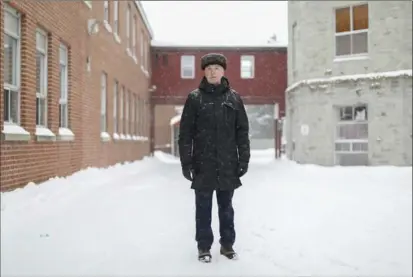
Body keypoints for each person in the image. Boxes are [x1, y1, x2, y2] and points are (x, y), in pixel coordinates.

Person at [178, 53, 250, 263]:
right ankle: (204, 247)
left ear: (223, 71)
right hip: (202, 164)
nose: (212, 72)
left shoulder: (234, 98)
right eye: (208, 68)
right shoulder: (194, 99)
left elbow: (242, 132)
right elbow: (185, 134)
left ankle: (227, 245)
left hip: (228, 164)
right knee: (203, 208)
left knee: (226, 208)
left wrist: (243, 159)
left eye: (216, 68)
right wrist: (186, 162)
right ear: (204, 72)